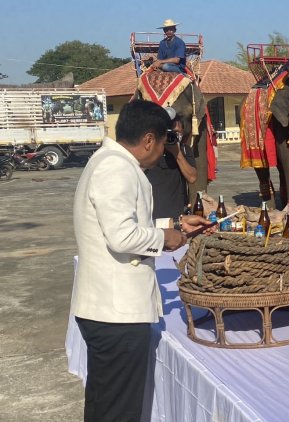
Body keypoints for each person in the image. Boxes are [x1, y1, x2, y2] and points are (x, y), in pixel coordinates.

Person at [71, 100, 212, 421]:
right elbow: (122, 236)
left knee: (107, 404)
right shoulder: (116, 168)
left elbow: (126, 223)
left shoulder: (109, 162)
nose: (163, 152)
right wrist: (165, 239)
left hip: (111, 311)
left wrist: (174, 225)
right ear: (149, 139)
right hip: (116, 313)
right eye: (164, 143)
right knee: (119, 410)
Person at [146, 107, 197, 220]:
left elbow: (192, 178)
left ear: (183, 132)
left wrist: (177, 154)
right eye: (169, 133)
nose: (172, 137)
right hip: (153, 216)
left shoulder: (184, 150)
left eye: (176, 133)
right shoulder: (151, 150)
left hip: (178, 216)